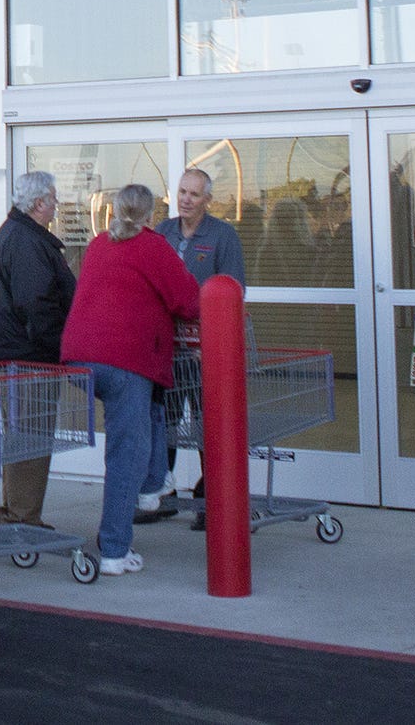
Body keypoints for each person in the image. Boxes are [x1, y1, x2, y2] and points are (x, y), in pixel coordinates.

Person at [63, 183, 199, 575]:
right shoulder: (154, 246)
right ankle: (114, 550)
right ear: (152, 215)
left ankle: (153, 484)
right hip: (125, 360)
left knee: (149, 412)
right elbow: (188, 301)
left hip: (82, 355)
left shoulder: (99, 244)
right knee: (127, 454)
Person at [0, 171, 73, 530]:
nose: (56, 206)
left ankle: (16, 512)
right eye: (53, 200)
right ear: (38, 204)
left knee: (22, 438)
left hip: (18, 355)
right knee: (31, 440)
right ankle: (23, 517)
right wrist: (59, 348)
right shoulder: (26, 242)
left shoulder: (18, 235)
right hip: (29, 358)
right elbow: (36, 304)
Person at [153, 167, 244, 507]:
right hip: (167, 349)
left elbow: (233, 289)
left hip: (205, 351)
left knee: (209, 424)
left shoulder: (223, 235)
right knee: (165, 422)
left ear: (208, 199)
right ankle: (162, 492)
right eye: (182, 192)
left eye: (194, 194)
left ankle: (213, 499)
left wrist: (216, 342)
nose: (186, 200)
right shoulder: (162, 232)